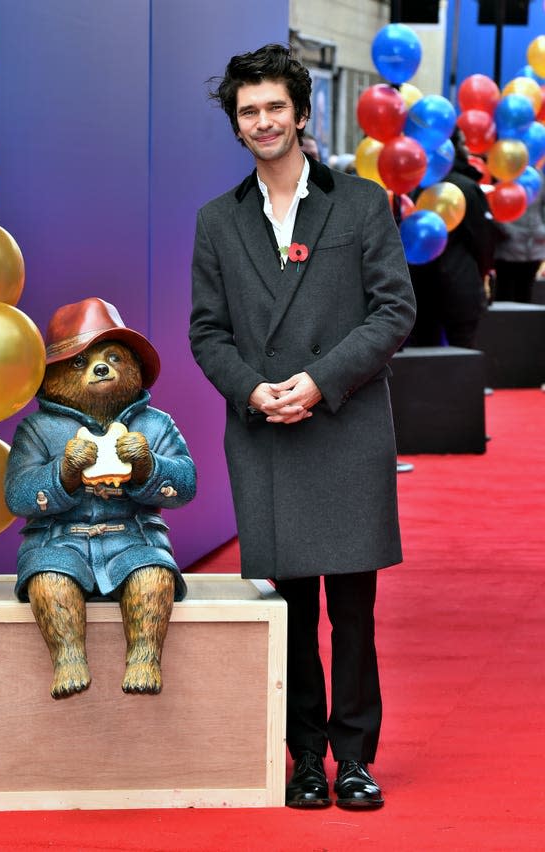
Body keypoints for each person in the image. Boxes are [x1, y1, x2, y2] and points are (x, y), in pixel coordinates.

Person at [189, 44, 416, 810]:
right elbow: (206, 333)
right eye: (248, 110)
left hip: (344, 423)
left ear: (300, 111)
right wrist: (257, 391)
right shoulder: (218, 221)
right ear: (236, 122)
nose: (263, 121)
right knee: (289, 605)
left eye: (274, 107)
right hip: (267, 432)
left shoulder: (358, 203)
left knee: (353, 607)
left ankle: (354, 759)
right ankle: (304, 758)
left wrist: (320, 381)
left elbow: (396, 311)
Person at [408, 129, 496, 348]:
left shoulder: (414, 186)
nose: (468, 149)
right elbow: (484, 241)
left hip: (419, 288)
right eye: (464, 143)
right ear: (452, 148)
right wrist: (482, 273)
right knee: (462, 357)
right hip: (460, 287)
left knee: (424, 359)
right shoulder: (467, 187)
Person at [493, 180, 545, 303]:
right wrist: (509, 231)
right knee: (505, 293)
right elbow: (495, 208)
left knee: (526, 293)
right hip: (507, 249)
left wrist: (540, 230)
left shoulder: (539, 179)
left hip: (533, 248)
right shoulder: (503, 180)